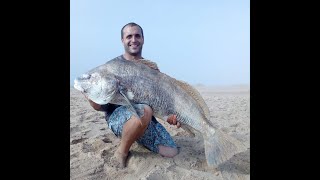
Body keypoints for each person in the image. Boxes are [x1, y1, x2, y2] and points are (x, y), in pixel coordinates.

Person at [83, 22, 181, 168]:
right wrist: (92, 99)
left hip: (146, 119)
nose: (133, 40)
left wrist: (171, 117)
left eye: (137, 36)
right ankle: (121, 152)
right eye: (129, 36)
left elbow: (161, 104)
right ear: (122, 40)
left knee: (171, 151)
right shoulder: (111, 67)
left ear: (143, 39)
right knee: (144, 111)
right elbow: (100, 107)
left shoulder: (152, 70)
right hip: (118, 117)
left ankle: (134, 134)